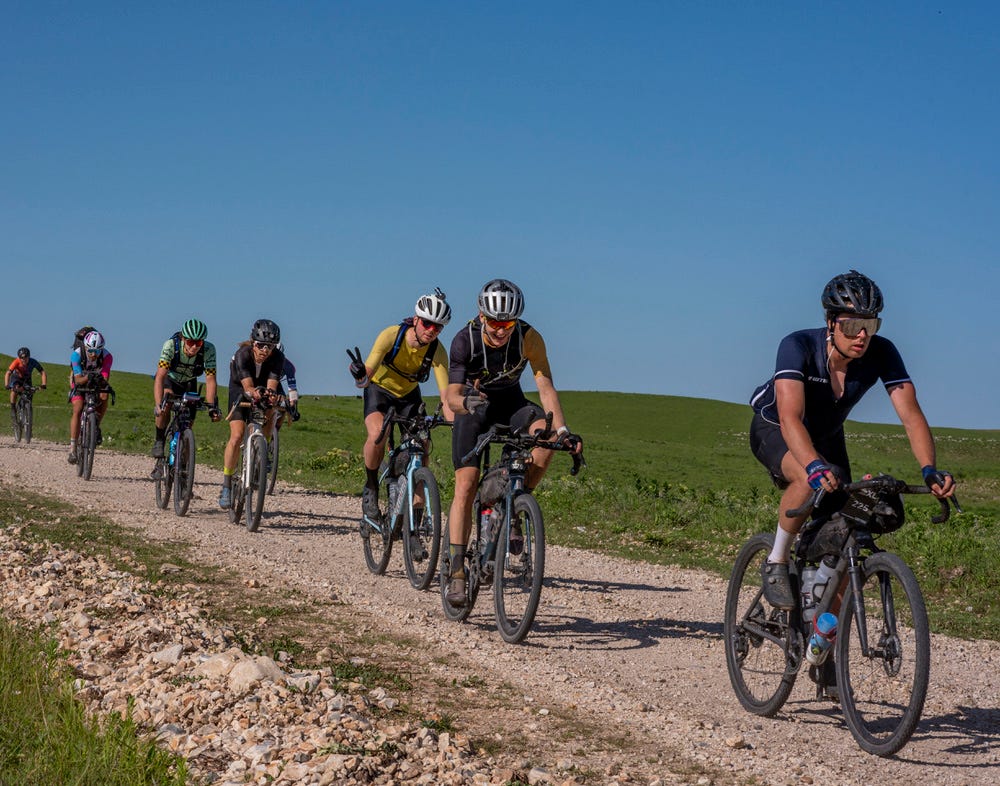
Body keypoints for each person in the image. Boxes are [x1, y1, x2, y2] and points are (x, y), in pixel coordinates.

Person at [749, 269, 957, 611]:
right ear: (831, 323)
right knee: (808, 477)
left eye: (870, 325)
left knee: (852, 518)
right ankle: (777, 560)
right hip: (777, 430)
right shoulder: (797, 346)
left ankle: (824, 637)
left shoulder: (882, 353)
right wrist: (813, 465)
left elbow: (910, 414)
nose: (861, 335)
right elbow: (790, 417)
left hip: (828, 437)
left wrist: (929, 469)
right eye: (850, 325)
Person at [442, 279, 582, 606]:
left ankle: (515, 501)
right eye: (494, 322)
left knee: (545, 440)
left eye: (508, 323)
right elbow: (451, 395)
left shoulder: (528, 338)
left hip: (512, 403)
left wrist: (563, 432)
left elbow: (545, 387)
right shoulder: (465, 340)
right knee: (465, 484)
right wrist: (466, 404)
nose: (502, 330)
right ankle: (458, 571)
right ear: (481, 315)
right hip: (473, 407)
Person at [346, 288, 454, 520]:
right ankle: (371, 486)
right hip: (379, 391)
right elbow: (366, 375)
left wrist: (456, 423)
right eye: (427, 323)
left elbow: (446, 397)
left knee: (423, 445)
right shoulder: (391, 335)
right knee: (378, 434)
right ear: (416, 320)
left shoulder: (438, 351)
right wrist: (357, 373)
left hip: (409, 396)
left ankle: (415, 514)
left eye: (438, 327)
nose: (431, 331)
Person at [218, 319, 286, 509]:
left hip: (261, 388)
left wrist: (272, 397)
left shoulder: (277, 358)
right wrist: (254, 393)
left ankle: (260, 453)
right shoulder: (242, 355)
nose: (265, 350)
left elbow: (271, 385)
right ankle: (226, 484)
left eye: (270, 346)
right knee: (237, 434)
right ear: (253, 342)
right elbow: (248, 387)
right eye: (261, 345)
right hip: (240, 389)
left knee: (270, 410)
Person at [151, 318, 221, 459]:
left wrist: (212, 407)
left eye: (199, 342)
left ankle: (182, 451)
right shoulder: (170, 346)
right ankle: (159, 440)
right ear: (183, 339)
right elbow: (159, 377)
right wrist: (159, 404)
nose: (194, 347)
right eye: (190, 342)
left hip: (189, 381)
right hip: (170, 379)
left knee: (190, 417)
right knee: (167, 401)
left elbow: (210, 379)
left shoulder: (209, 350)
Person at [68, 330, 113, 464]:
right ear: (86, 347)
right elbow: (77, 380)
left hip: (96, 381)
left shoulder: (107, 356)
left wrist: (101, 383)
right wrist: (88, 377)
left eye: (98, 351)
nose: (94, 354)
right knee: (78, 408)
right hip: (79, 380)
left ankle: (95, 426)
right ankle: (72, 448)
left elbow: (105, 378)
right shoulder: (76, 355)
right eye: (91, 351)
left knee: (104, 395)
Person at [6, 347, 47, 414]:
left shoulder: (33, 361)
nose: (23, 359)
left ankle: (28, 411)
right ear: (19, 357)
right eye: (21, 358)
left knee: (30, 392)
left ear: (29, 356)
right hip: (16, 378)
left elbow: (42, 372)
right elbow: (8, 373)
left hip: (26, 379)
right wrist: (7, 385)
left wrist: (43, 384)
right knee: (14, 390)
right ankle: (13, 408)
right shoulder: (16, 362)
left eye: (25, 357)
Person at [274, 344, 300, 429]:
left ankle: (275, 431)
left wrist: (292, 403)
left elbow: (292, 386)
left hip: (276, 383)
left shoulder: (289, 366)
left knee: (284, 404)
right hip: (261, 381)